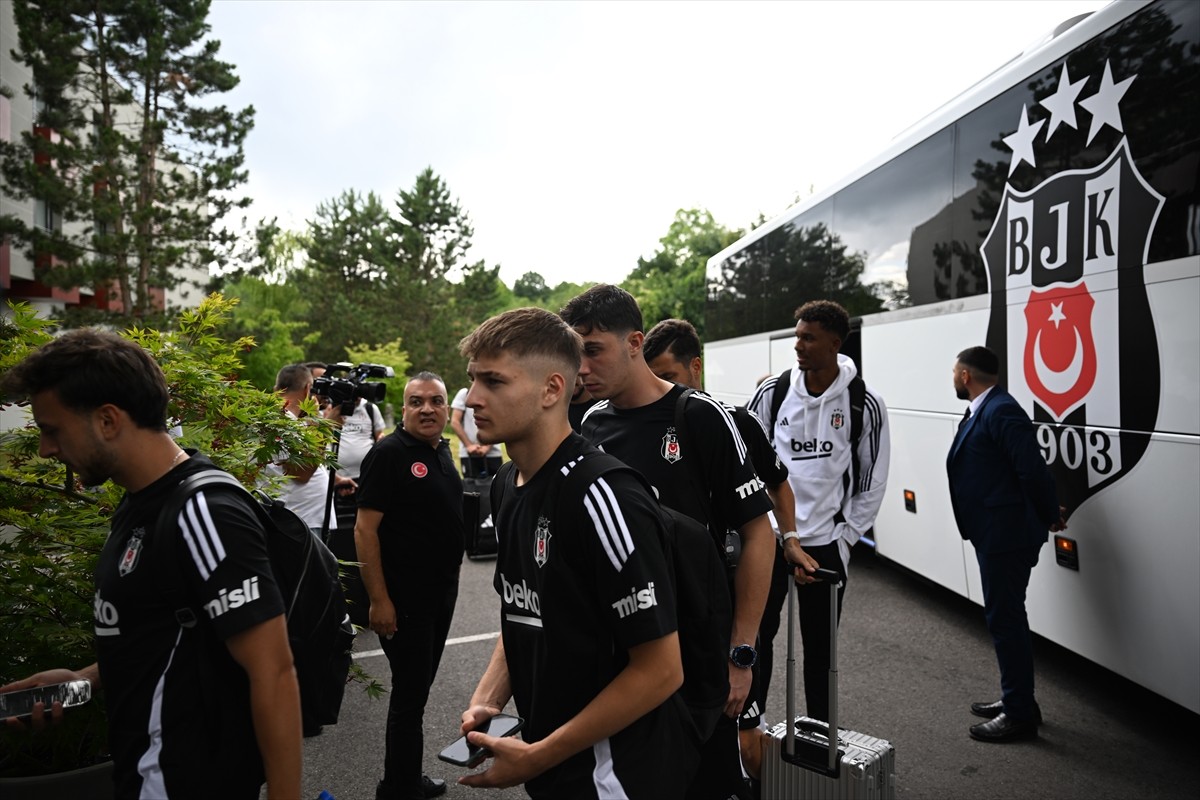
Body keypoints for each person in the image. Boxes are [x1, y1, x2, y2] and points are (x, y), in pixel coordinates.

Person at [0, 329, 301, 799]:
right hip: (140, 777)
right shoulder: (141, 502)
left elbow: (275, 674)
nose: (46, 449)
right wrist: (83, 681)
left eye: (51, 429)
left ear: (107, 420)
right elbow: (166, 637)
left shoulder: (205, 512)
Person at [456, 307, 693, 798]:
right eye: (473, 380)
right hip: (552, 762)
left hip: (615, 776)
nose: (474, 399)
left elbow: (661, 669)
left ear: (551, 389)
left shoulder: (603, 496)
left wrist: (540, 755)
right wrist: (488, 700)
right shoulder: (506, 483)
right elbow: (524, 609)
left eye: (494, 382)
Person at [562, 284, 780, 800]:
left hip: (702, 646)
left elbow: (757, 533)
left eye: (594, 350)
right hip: (634, 647)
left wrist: (741, 653)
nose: (583, 368)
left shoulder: (701, 416)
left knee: (714, 777)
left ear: (635, 343)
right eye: (575, 354)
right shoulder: (592, 423)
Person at [643, 317, 818, 782]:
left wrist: (792, 540)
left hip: (736, 591)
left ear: (694, 368)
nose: (661, 386)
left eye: (670, 375)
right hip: (674, 607)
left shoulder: (732, 421)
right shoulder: (629, 421)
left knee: (743, 728)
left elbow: (780, 488)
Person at [747, 299, 890, 725]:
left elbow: (871, 480)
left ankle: (819, 745)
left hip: (826, 545)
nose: (798, 345)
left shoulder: (864, 402)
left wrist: (844, 540)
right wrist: (760, 529)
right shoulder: (772, 393)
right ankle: (752, 736)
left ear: (835, 343)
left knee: (820, 652)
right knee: (756, 642)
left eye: (808, 337)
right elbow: (746, 463)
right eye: (796, 336)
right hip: (770, 542)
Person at [946, 345, 1066, 743]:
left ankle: (1019, 714)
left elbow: (1031, 469)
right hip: (995, 531)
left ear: (965, 375)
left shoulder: (1001, 409)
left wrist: (1050, 513)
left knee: (1006, 619)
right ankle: (1019, 700)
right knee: (1006, 617)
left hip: (1006, 534)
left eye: (954, 372)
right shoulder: (986, 408)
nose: (953, 378)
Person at [355, 371, 465, 799]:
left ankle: (403, 779)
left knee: (415, 692)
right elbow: (365, 531)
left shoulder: (439, 451)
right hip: (405, 600)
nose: (428, 409)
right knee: (409, 696)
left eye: (436, 401)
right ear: (403, 409)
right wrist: (379, 600)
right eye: (417, 401)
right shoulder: (390, 454)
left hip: (442, 593)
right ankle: (399, 787)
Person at [270, 363, 356, 537]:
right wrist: (326, 427)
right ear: (308, 388)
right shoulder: (281, 421)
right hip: (299, 522)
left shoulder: (291, 419)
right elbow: (300, 473)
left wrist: (335, 480)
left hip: (304, 519)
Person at [450, 386, 502, 477]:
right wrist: (469, 445)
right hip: (468, 454)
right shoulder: (464, 393)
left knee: (495, 488)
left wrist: (487, 447)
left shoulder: (497, 392)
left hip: (493, 454)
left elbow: (501, 420)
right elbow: (455, 422)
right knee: (470, 488)